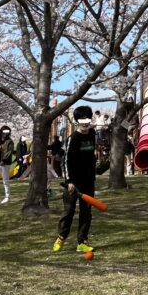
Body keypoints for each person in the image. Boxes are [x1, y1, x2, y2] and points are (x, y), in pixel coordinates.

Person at [53, 106, 98, 254]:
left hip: (88, 181)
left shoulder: (92, 134)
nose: (85, 122)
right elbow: (66, 161)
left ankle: (82, 242)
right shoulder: (73, 138)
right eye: (82, 119)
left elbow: (91, 156)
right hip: (73, 182)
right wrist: (69, 181)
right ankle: (62, 237)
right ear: (77, 121)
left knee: (86, 212)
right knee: (69, 211)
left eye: (87, 119)